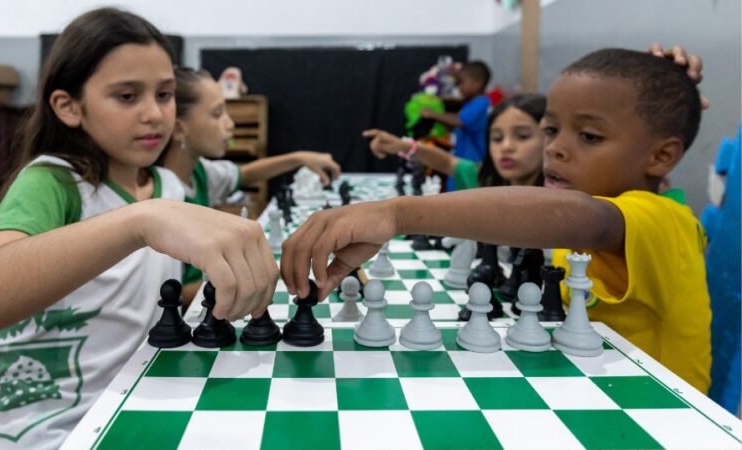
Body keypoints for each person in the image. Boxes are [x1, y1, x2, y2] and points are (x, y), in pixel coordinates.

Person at [280, 48, 711, 394]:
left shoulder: (665, 221)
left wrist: (396, 213)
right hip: (588, 399)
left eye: (590, 136)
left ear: (661, 157)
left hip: (662, 422)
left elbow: (583, 219)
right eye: (550, 130)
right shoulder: (603, 210)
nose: (555, 149)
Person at [0, 8, 278, 449]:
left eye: (164, 94)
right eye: (126, 96)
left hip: (131, 405)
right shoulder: (53, 182)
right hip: (46, 432)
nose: (154, 114)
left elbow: (140, 297)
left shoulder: (168, 186)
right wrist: (138, 220)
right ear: (68, 106)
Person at [159, 66, 341, 301]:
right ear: (179, 128)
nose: (230, 124)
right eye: (217, 114)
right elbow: (165, 294)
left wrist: (299, 158)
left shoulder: (199, 172)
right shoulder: (162, 195)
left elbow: (244, 174)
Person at [363, 93, 546, 190]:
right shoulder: (487, 183)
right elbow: (448, 162)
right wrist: (403, 146)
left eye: (522, 136)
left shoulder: (564, 200)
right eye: (496, 138)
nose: (506, 147)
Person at [419, 60, 492, 190]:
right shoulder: (469, 103)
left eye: (461, 82)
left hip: (471, 163)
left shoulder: (481, 103)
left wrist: (432, 114)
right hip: (459, 161)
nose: (458, 87)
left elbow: (459, 121)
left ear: (478, 83)